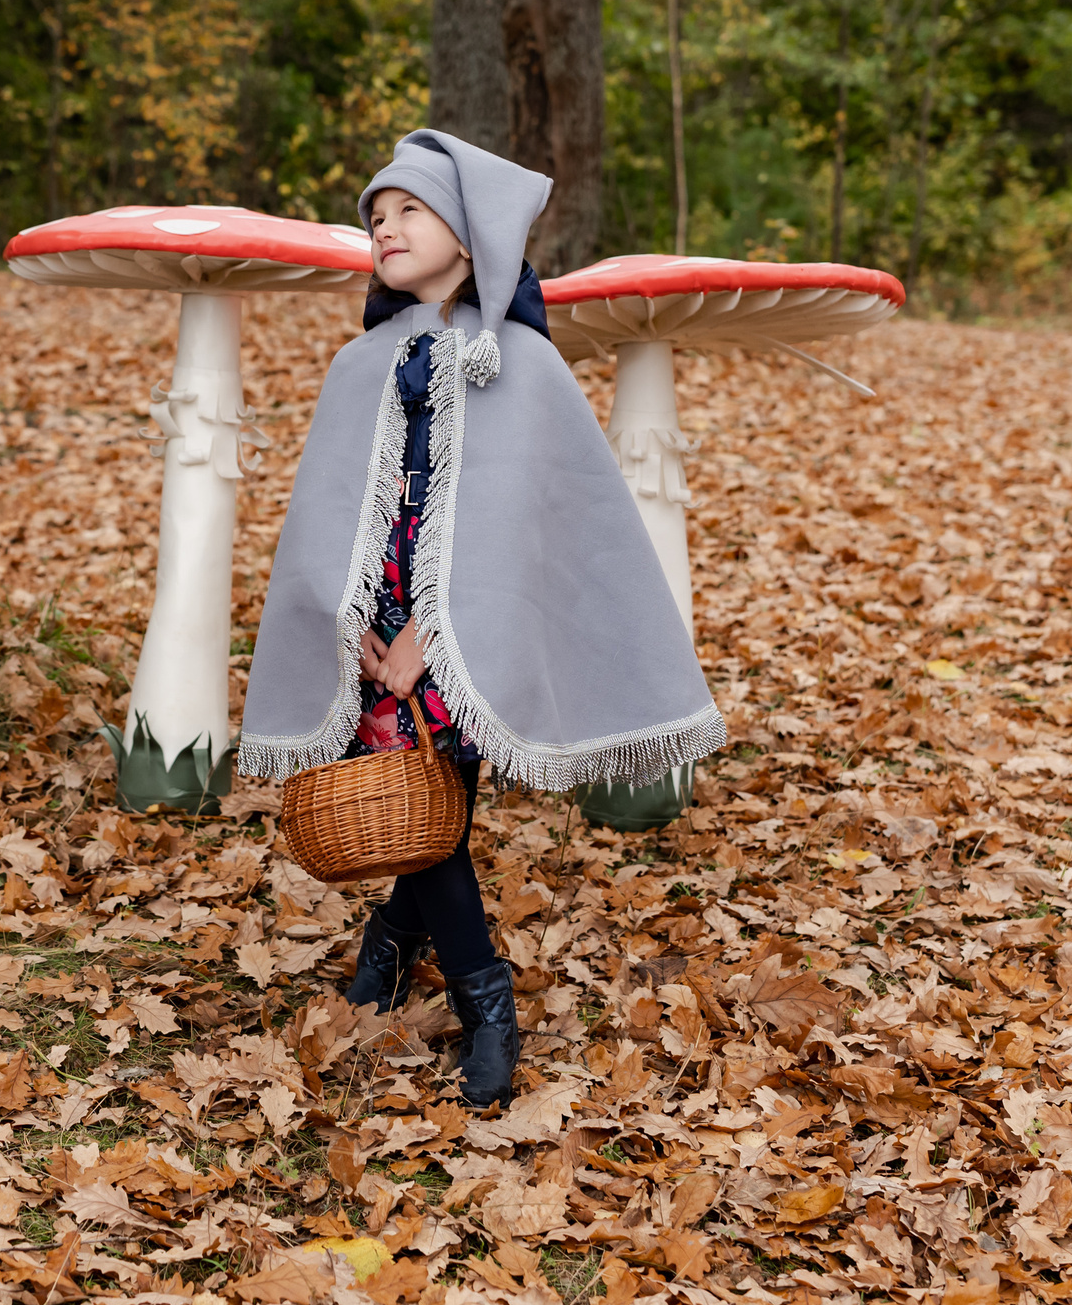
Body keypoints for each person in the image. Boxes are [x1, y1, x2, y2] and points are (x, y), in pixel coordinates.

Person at [239, 130, 726, 1107]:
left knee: (435, 820)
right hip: (383, 635)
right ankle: (407, 952)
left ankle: (477, 1001)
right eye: (375, 215)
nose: (385, 228)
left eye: (409, 210)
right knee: (425, 809)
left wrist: (442, 625)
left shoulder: (522, 365)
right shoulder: (362, 362)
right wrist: (357, 624)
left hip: (463, 634)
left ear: (470, 234)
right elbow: (336, 506)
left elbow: (524, 523)